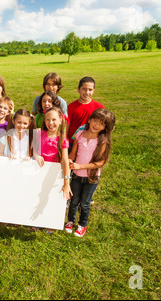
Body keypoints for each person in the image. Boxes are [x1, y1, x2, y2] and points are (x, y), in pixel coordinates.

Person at [64, 108, 115, 237]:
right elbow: (73, 154)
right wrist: (67, 162)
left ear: (105, 127)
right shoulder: (80, 135)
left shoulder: (102, 141)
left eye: (101, 123)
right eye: (95, 120)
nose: (96, 125)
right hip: (76, 176)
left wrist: (80, 166)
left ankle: (82, 225)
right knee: (73, 200)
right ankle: (70, 221)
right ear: (90, 119)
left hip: (91, 178)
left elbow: (101, 163)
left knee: (85, 203)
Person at [34, 107, 72, 233]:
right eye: (48, 120)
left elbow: (65, 161)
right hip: (39, 172)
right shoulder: (39, 134)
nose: (51, 123)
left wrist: (67, 182)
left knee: (51, 198)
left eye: (54, 120)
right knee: (38, 194)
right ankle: (37, 221)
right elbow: (34, 150)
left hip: (54, 174)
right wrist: (37, 156)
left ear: (61, 120)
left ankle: (51, 223)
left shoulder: (63, 139)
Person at [67, 76, 105, 152]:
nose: (87, 92)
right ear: (78, 89)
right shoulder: (71, 107)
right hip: (72, 143)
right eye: (84, 89)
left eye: (90, 90)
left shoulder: (99, 107)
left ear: (93, 90)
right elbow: (66, 126)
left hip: (91, 143)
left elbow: (105, 124)